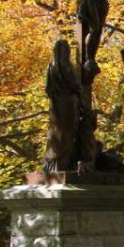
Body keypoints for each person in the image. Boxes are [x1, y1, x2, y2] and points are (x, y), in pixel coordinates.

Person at [43, 40, 81, 172]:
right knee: (67, 133)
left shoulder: (50, 67)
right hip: (68, 104)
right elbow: (75, 85)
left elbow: (48, 88)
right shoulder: (67, 67)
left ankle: (53, 162)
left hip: (55, 106)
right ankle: (62, 162)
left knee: (56, 132)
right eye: (65, 50)